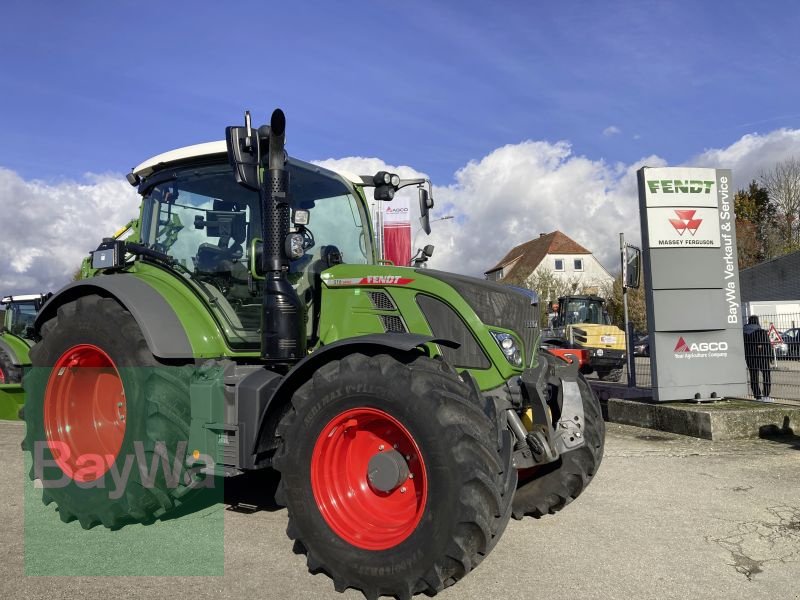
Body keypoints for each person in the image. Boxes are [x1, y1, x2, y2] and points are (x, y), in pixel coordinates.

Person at [743, 315, 772, 401]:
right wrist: (770, 357)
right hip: (763, 358)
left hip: (750, 358)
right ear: (757, 321)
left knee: (753, 376)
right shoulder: (761, 332)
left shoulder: (743, 333)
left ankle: (757, 395)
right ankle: (766, 395)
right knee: (766, 375)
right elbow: (767, 345)